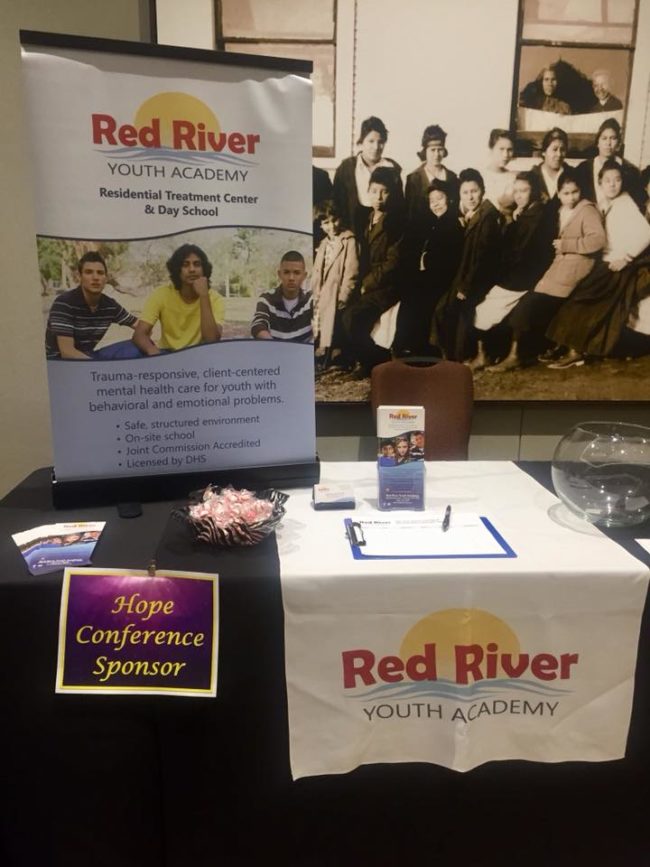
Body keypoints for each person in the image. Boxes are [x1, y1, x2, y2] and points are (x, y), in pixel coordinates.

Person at [545, 160, 650, 368]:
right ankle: (565, 346)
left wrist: (626, 258)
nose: (613, 184)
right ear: (599, 183)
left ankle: (575, 351)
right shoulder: (603, 203)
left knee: (585, 302)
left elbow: (647, 234)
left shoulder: (626, 204)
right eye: (607, 180)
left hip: (617, 265)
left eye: (617, 180)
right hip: (604, 262)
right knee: (575, 295)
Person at [503, 169, 606, 368]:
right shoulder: (559, 210)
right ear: (558, 194)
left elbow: (598, 240)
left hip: (577, 265)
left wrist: (567, 244)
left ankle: (515, 356)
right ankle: (525, 351)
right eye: (566, 193)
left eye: (575, 192)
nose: (571, 197)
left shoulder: (587, 210)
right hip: (561, 266)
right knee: (531, 300)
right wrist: (517, 213)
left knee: (531, 303)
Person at [471, 171, 554, 372]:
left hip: (525, 275)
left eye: (524, 190)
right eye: (516, 191)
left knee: (483, 308)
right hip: (522, 272)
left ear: (534, 191)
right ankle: (489, 354)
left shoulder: (536, 217)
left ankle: (485, 356)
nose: (519, 195)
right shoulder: (527, 213)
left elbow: (519, 251)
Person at [432, 168, 502, 361]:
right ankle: (446, 354)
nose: (470, 197)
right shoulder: (474, 215)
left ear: (483, 190)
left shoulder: (488, 217)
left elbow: (482, 257)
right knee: (441, 308)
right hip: (467, 274)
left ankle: (458, 356)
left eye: (474, 191)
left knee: (458, 309)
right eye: (465, 192)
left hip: (479, 278)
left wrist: (466, 286)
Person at [342, 166, 404, 377]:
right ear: (368, 191)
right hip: (366, 282)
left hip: (386, 286)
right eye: (375, 191)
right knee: (343, 310)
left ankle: (371, 361)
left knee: (353, 317)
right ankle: (357, 357)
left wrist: (368, 284)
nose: (378, 197)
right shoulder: (366, 218)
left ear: (391, 194)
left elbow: (393, 263)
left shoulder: (395, 223)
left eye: (384, 192)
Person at [395, 178, 463, 356]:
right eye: (432, 201)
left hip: (443, 278)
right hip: (431, 275)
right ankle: (405, 346)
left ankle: (416, 347)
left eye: (440, 199)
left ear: (450, 199)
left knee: (418, 300)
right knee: (409, 295)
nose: (436, 204)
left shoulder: (453, 224)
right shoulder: (436, 222)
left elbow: (449, 260)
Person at [45, 251, 140, 360]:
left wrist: (144, 337)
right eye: (89, 272)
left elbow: (140, 326)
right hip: (60, 363)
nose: (95, 277)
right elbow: (67, 352)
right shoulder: (64, 303)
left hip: (88, 357)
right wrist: (99, 368)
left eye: (100, 273)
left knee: (136, 347)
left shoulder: (110, 305)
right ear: (79, 276)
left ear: (106, 278)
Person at [133, 244, 224, 355]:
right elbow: (139, 334)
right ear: (177, 270)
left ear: (204, 269)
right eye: (185, 265)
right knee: (129, 349)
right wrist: (153, 351)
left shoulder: (215, 299)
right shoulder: (161, 294)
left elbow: (212, 340)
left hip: (199, 354)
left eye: (197, 264)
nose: (192, 269)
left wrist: (204, 296)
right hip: (167, 353)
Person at [332, 116, 402, 238]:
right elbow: (337, 205)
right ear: (362, 141)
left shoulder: (392, 169)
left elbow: (399, 208)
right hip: (351, 232)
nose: (376, 147)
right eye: (371, 141)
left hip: (383, 235)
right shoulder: (346, 168)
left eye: (381, 142)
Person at [311, 201, 359, 368]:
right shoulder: (324, 243)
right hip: (321, 290)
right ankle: (319, 353)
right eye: (326, 223)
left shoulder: (348, 240)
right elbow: (317, 270)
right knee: (317, 321)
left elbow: (351, 271)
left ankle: (330, 354)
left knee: (331, 324)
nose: (332, 226)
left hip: (335, 291)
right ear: (321, 225)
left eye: (335, 220)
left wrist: (345, 294)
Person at [575, 118, 643, 210]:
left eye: (613, 138)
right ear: (597, 142)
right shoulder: (583, 169)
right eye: (604, 138)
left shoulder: (630, 171)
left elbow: (637, 203)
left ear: (618, 143)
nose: (608, 143)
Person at [404, 125, 458, 240]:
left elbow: (455, 210)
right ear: (425, 151)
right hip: (421, 238)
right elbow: (410, 216)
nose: (437, 154)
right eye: (432, 150)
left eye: (440, 149)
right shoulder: (413, 179)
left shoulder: (452, 178)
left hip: (448, 237)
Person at [251, 251, 313, 343]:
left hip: (304, 351)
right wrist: (274, 346)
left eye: (296, 273)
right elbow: (258, 324)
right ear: (279, 274)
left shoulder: (312, 299)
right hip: (274, 350)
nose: (291, 278)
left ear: (304, 276)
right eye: (286, 272)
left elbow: (322, 326)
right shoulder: (266, 298)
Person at [482, 129, 516, 220]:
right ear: (491, 149)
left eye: (509, 150)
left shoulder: (514, 178)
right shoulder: (481, 176)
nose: (506, 155)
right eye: (501, 149)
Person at [531, 127, 569, 202]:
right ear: (544, 152)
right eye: (554, 149)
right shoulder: (532, 177)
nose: (559, 154)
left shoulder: (573, 175)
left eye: (562, 150)